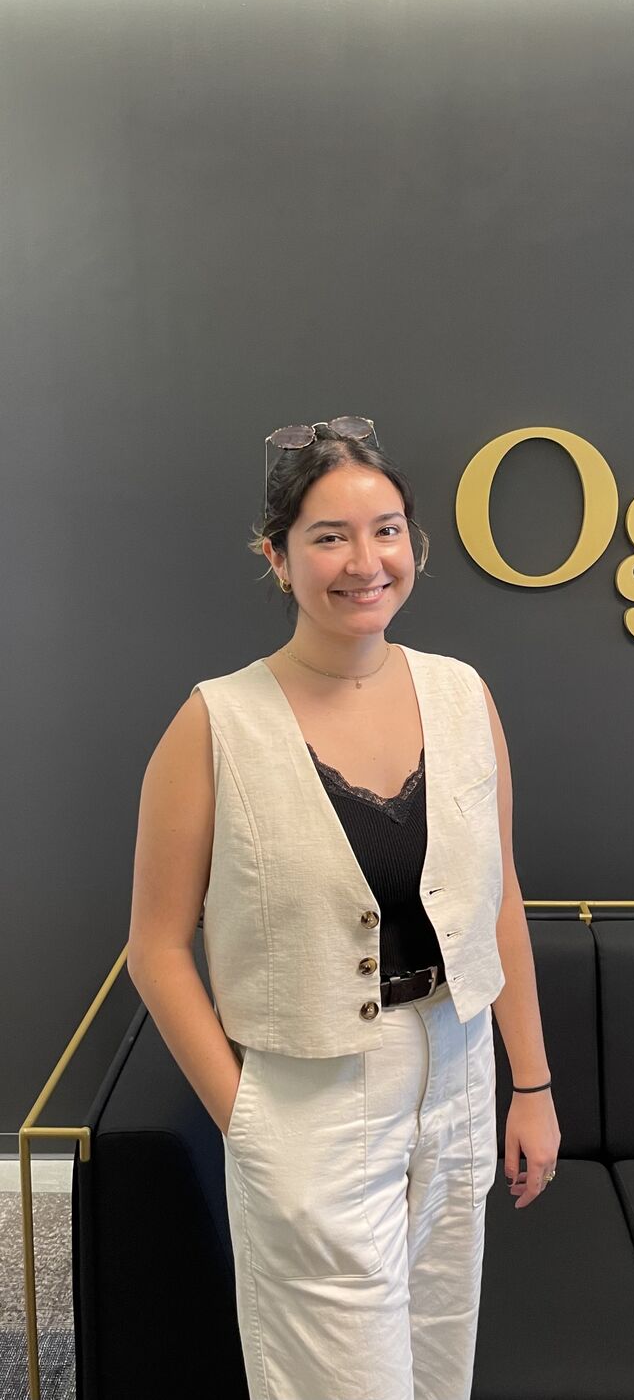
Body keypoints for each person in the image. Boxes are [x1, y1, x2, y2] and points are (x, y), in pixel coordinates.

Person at [126, 417, 561, 1400]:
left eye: (387, 529)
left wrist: (527, 1086)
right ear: (276, 557)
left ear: (413, 544)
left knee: (438, 1368)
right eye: (329, 535)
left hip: (456, 1076)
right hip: (311, 1103)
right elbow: (154, 946)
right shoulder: (215, 723)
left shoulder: (460, 694)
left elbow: (499, 891)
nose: (365, 561)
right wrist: (249, 1123)